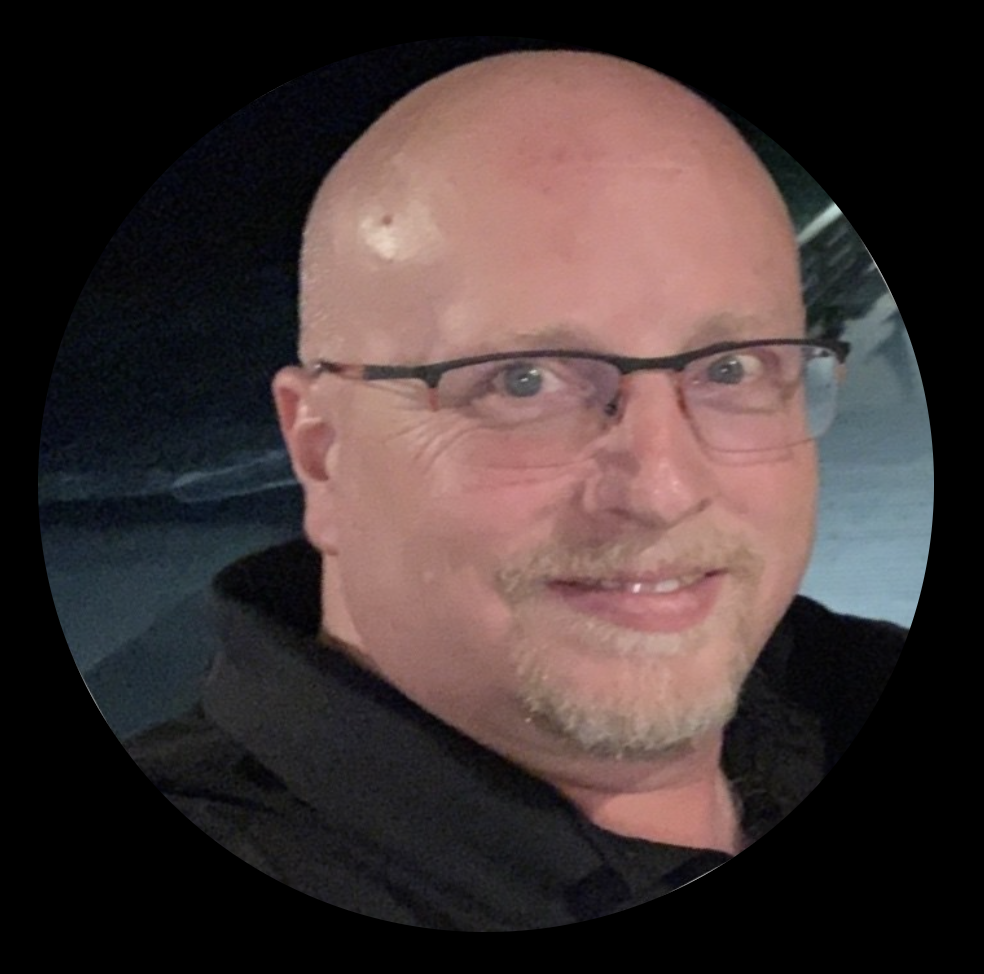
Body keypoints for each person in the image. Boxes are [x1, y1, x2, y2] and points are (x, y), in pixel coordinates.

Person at [126, 50, 903, 929]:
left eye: (732, 368)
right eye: (523, 382)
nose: (662, 487)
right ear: (321, 451)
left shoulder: (848, 689)